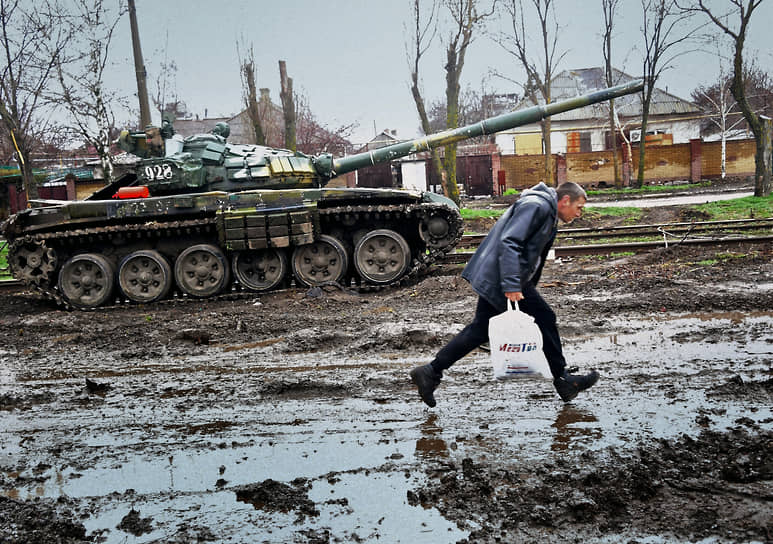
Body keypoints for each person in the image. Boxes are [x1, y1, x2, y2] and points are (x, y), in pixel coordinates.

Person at [410, 181, 598, 407]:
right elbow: (510, 242)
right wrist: (512, 285)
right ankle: (564, 380)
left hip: (506, 276)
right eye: (579, 207)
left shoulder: (545, 209)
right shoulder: (537, 206)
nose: (579, 213)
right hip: (504, 277)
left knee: (480, 329)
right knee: (545, 318)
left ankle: (430, 372)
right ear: (565, 200)